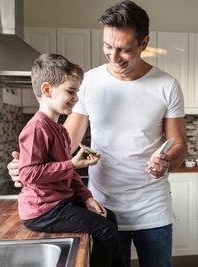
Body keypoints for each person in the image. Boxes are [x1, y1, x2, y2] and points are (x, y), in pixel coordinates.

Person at [8, 1, 188, 266]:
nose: (113, 57)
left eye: (124, 49)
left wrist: (167, 162)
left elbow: (180, 146)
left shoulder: (167, 85)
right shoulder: (90, 81)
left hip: (153, 209)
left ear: (144, 42)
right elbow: (66, 143)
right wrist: (27, 164)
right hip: (102, 205)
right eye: (107, 46)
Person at [17, 53, 120, 267]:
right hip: (43, 210)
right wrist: (71, 163)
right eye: (70, 91)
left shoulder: (61, 131)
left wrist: (87, 197)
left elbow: (69, 173)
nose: (75, 98)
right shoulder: (37, 128)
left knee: (110, 218)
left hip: (61, 203)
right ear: (47, 90)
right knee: (106, 229)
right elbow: (28, 174)